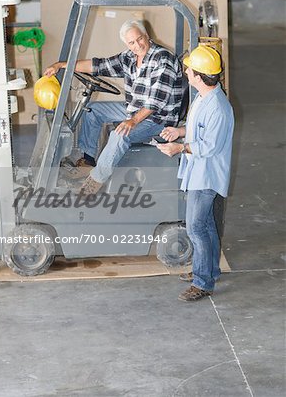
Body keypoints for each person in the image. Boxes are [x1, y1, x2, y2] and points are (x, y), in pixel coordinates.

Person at [44, 19, 183, 194]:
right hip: (134, 109)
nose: (137, 45)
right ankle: (88, 161)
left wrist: (132, 121)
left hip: (158, 119)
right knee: (93, 111)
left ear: (147, 36)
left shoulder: (162, 59)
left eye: (140, 39)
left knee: (120, 134)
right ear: (127, 44)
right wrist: (62, 65)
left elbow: (155, 102)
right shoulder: (129, 57)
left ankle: (93, 183)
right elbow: (98, 65)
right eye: (131, 42)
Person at [157, 45, 234, 302]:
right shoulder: (204, 96)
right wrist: (179, 132)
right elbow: (198, 130)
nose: (186, 71)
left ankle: (203, 282)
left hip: (207, 176)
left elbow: (210, 145)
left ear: (199, 75)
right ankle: (209, 269)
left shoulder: (219, 108)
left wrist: (180, 147)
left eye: (190, 69)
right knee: (206, 225)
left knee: (195, 228)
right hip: (198, 171)